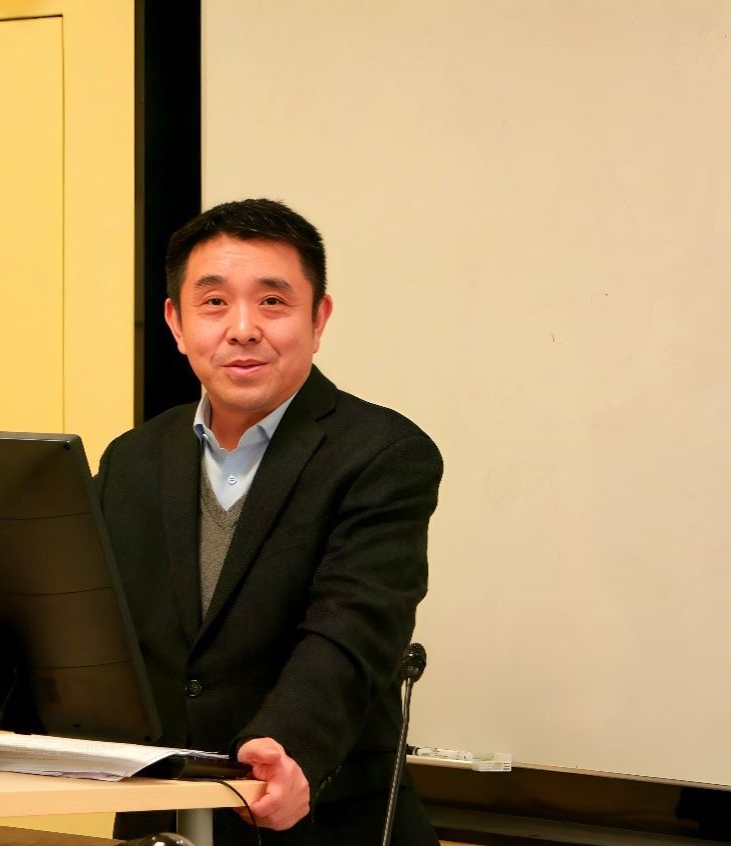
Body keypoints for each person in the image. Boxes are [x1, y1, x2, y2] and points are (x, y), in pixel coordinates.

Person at [96, 199, 443, 844]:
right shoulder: (132, 459)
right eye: (213, 302)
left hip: (321, 817)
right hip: (163, 819)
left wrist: (289, 747)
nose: (242, 329)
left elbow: (353, 627)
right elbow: (85, 623)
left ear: (319, 318)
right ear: (176, 323)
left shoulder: (383, 453)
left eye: (273, 302)